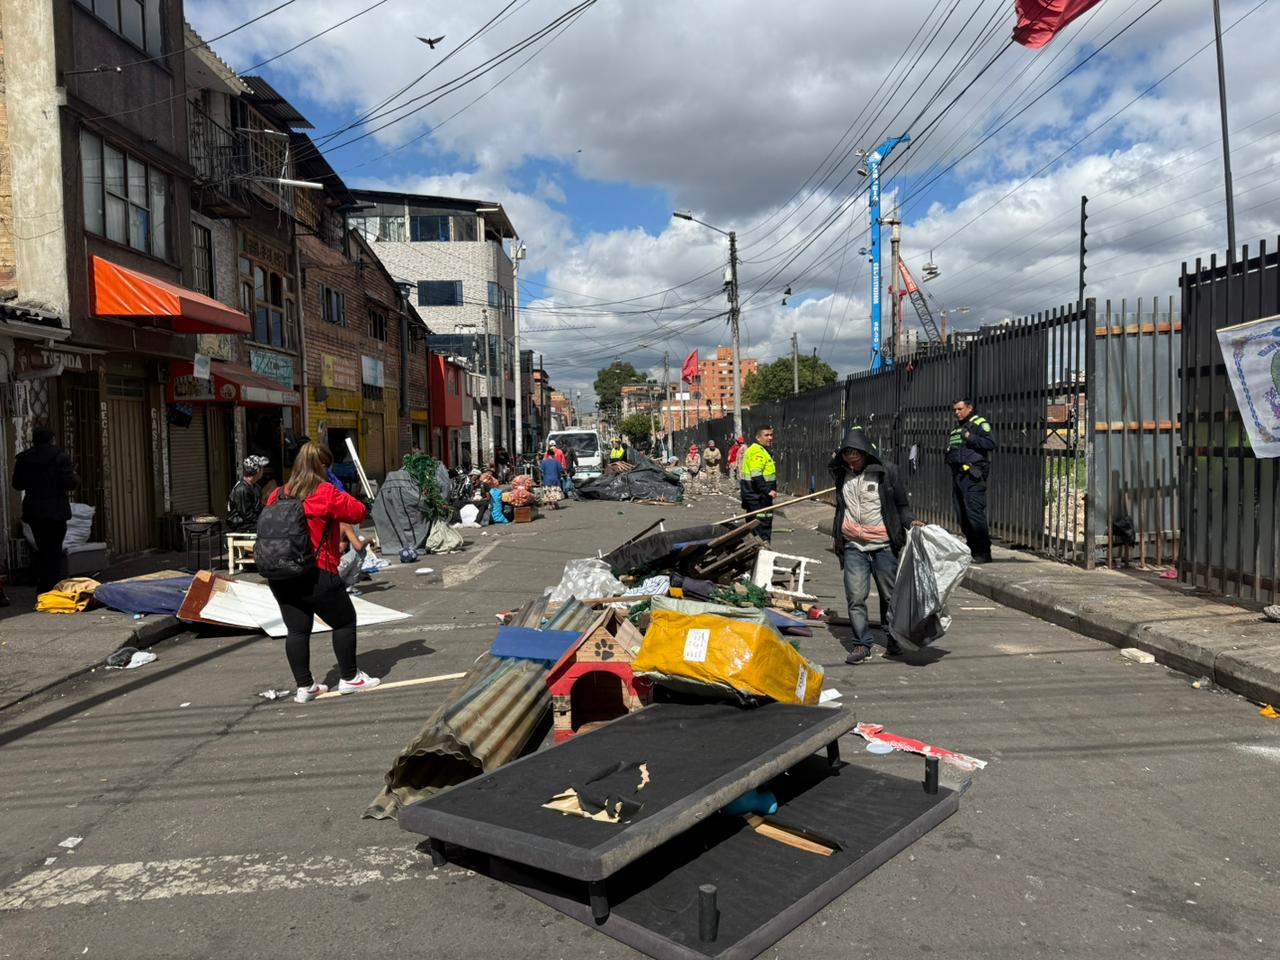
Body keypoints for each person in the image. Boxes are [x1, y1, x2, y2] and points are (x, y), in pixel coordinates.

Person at [264, 442, 380, 703]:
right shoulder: (325, 492)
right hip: (317, 572)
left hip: (281, 575)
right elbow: (359, 512)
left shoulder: (278, 495)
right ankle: (350, 677)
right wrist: (340, 490)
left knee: (297, 630)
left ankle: (305, 687)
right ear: (324, 467)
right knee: (344, 621)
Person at [830, 427, 922, 664]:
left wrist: (911, 522)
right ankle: (862, 644)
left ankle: (892, 639)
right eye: (847, 459)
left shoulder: (887, 472)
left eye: (856, 459)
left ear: (866, 454)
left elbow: (901, 505)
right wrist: (837, 535)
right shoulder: (842, 474)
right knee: (855, 596)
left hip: (883, 545)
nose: (853, 464)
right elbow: (841, 507)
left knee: (889, 596)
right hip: (853, 545)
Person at [12, 427, 78, 593]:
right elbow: (70, 483)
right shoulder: (60, 456)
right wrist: (75, 475)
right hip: (55, 511)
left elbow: (17, 484)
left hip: (35, 511)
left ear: (34, 440)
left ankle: (43, 586)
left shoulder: (24, 459)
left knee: (42, 548)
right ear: (51, 440)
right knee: (54, 550)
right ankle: (52, 587)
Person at [945, 397, 996, 564]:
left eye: (960, 409)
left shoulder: (978, 423)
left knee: (974, 514)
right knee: (962, 515)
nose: (956, 412)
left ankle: (983, 552)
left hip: (973, 475)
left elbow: (990, 443)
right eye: (955, 410)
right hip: (958, 475)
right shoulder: (958, 427)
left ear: (969, 408)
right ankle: (973, 549)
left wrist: (969, 437)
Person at [739, 425, 777, 543]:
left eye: (771, 435)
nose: (770, 438)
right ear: (758, 437)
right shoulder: (757, 452)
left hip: (755, 495)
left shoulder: (761, 450)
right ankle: (763, 550)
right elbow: (756, 475)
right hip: (758, 496)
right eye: (766, 435)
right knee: (762, 524)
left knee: (753, 524)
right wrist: (767, 490)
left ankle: (753, 550)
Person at [226, 456, 268, 533]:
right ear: (258, 470)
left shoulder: (256, 487)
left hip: (252, 522)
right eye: (262, 468)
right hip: (242, 525)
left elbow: (259, 508)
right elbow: (246, 515)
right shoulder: (241, 489)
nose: (263, 470)